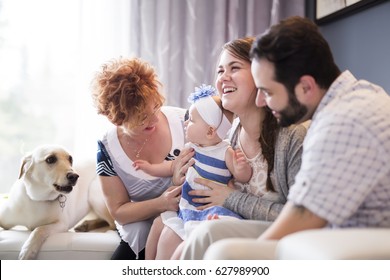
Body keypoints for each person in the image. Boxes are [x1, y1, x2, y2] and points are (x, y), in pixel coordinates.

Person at [203, 16, 390, 259]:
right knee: (214, 238)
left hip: (361, 241)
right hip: (342, 232)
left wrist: (249, 258)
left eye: (268, 92)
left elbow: (304, 215)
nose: (261, 101)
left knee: (224, 254)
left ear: (306, 87)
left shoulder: (342, 122)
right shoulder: (357, 95)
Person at [174, 36, 308, 260]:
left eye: (234, 68)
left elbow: (303, 217)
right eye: (219, 71)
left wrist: (231, 198)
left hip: (284, 235)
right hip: (234, 224)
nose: (223, 78)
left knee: (206, 234)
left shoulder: (293, 136)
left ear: (260, 76)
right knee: (172, 230)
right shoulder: (231, 132)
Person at [135, 84, 252, 259]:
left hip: (211, 206)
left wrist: (242, 167)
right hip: (188, 204)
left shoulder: (225, 151)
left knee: (192, 227)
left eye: (191, 120)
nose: (186, 122)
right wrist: (150, 167)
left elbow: (241, 176)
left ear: (210, 131)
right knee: (159, 224)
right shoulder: (191, 148)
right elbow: (170, 166)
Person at [90, 57, 186, 260]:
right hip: (141, 226)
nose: (153, 120)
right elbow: (119, 211)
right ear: (116, 117)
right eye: (142, 117)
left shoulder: (186, 122)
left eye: (155, 108)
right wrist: (163, 203)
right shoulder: (107, 150)